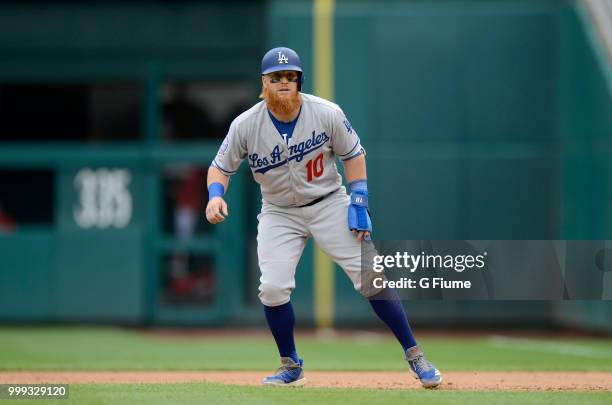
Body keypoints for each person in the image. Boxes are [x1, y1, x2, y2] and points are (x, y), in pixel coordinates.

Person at [205, 47, 441, 388]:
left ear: (299, 80)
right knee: (272, 289)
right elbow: (219, 167)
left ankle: (416, 356)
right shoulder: (246, 125)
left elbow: (354, 155)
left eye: (290, 77)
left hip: (328, 202)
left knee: (371, 276)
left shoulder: (326, 113)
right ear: (264, 83)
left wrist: (359, 201)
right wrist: (215, 196)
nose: (284, 82)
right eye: (276, 78)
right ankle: (290, 365)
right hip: (279, 212)